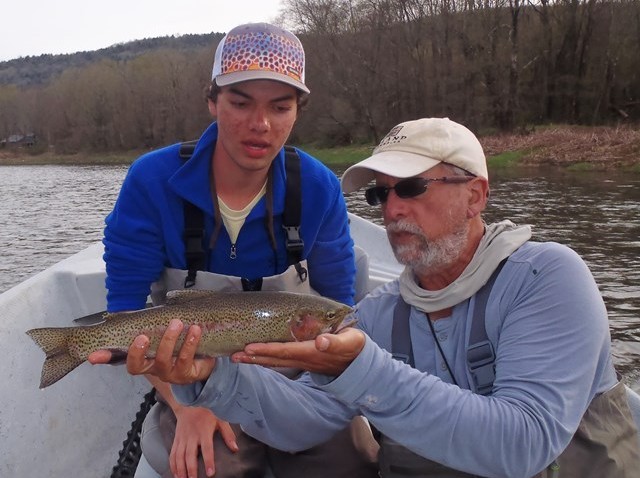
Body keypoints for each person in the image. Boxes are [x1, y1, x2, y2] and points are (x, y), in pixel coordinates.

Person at [106, 117, 640, 478]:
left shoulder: (547, 276)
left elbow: (524, 443)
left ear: (476, 194)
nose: (391, 209)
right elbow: (304, 420)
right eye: (379, 194)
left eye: (411, 188)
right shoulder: (381, 314)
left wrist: (362, 370)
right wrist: (211, 379)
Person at [96, 22, 377, 478]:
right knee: (207, 466)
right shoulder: (151, 181)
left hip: (298, 381)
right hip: (194, 380)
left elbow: (340, 307)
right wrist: (186, 403)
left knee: (354, 461)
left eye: (280, 106)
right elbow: (125, 314)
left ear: (296, 112)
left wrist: (314, 398)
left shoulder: (319, 187)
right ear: (213, 102)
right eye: (241, 103)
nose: (260, 124)